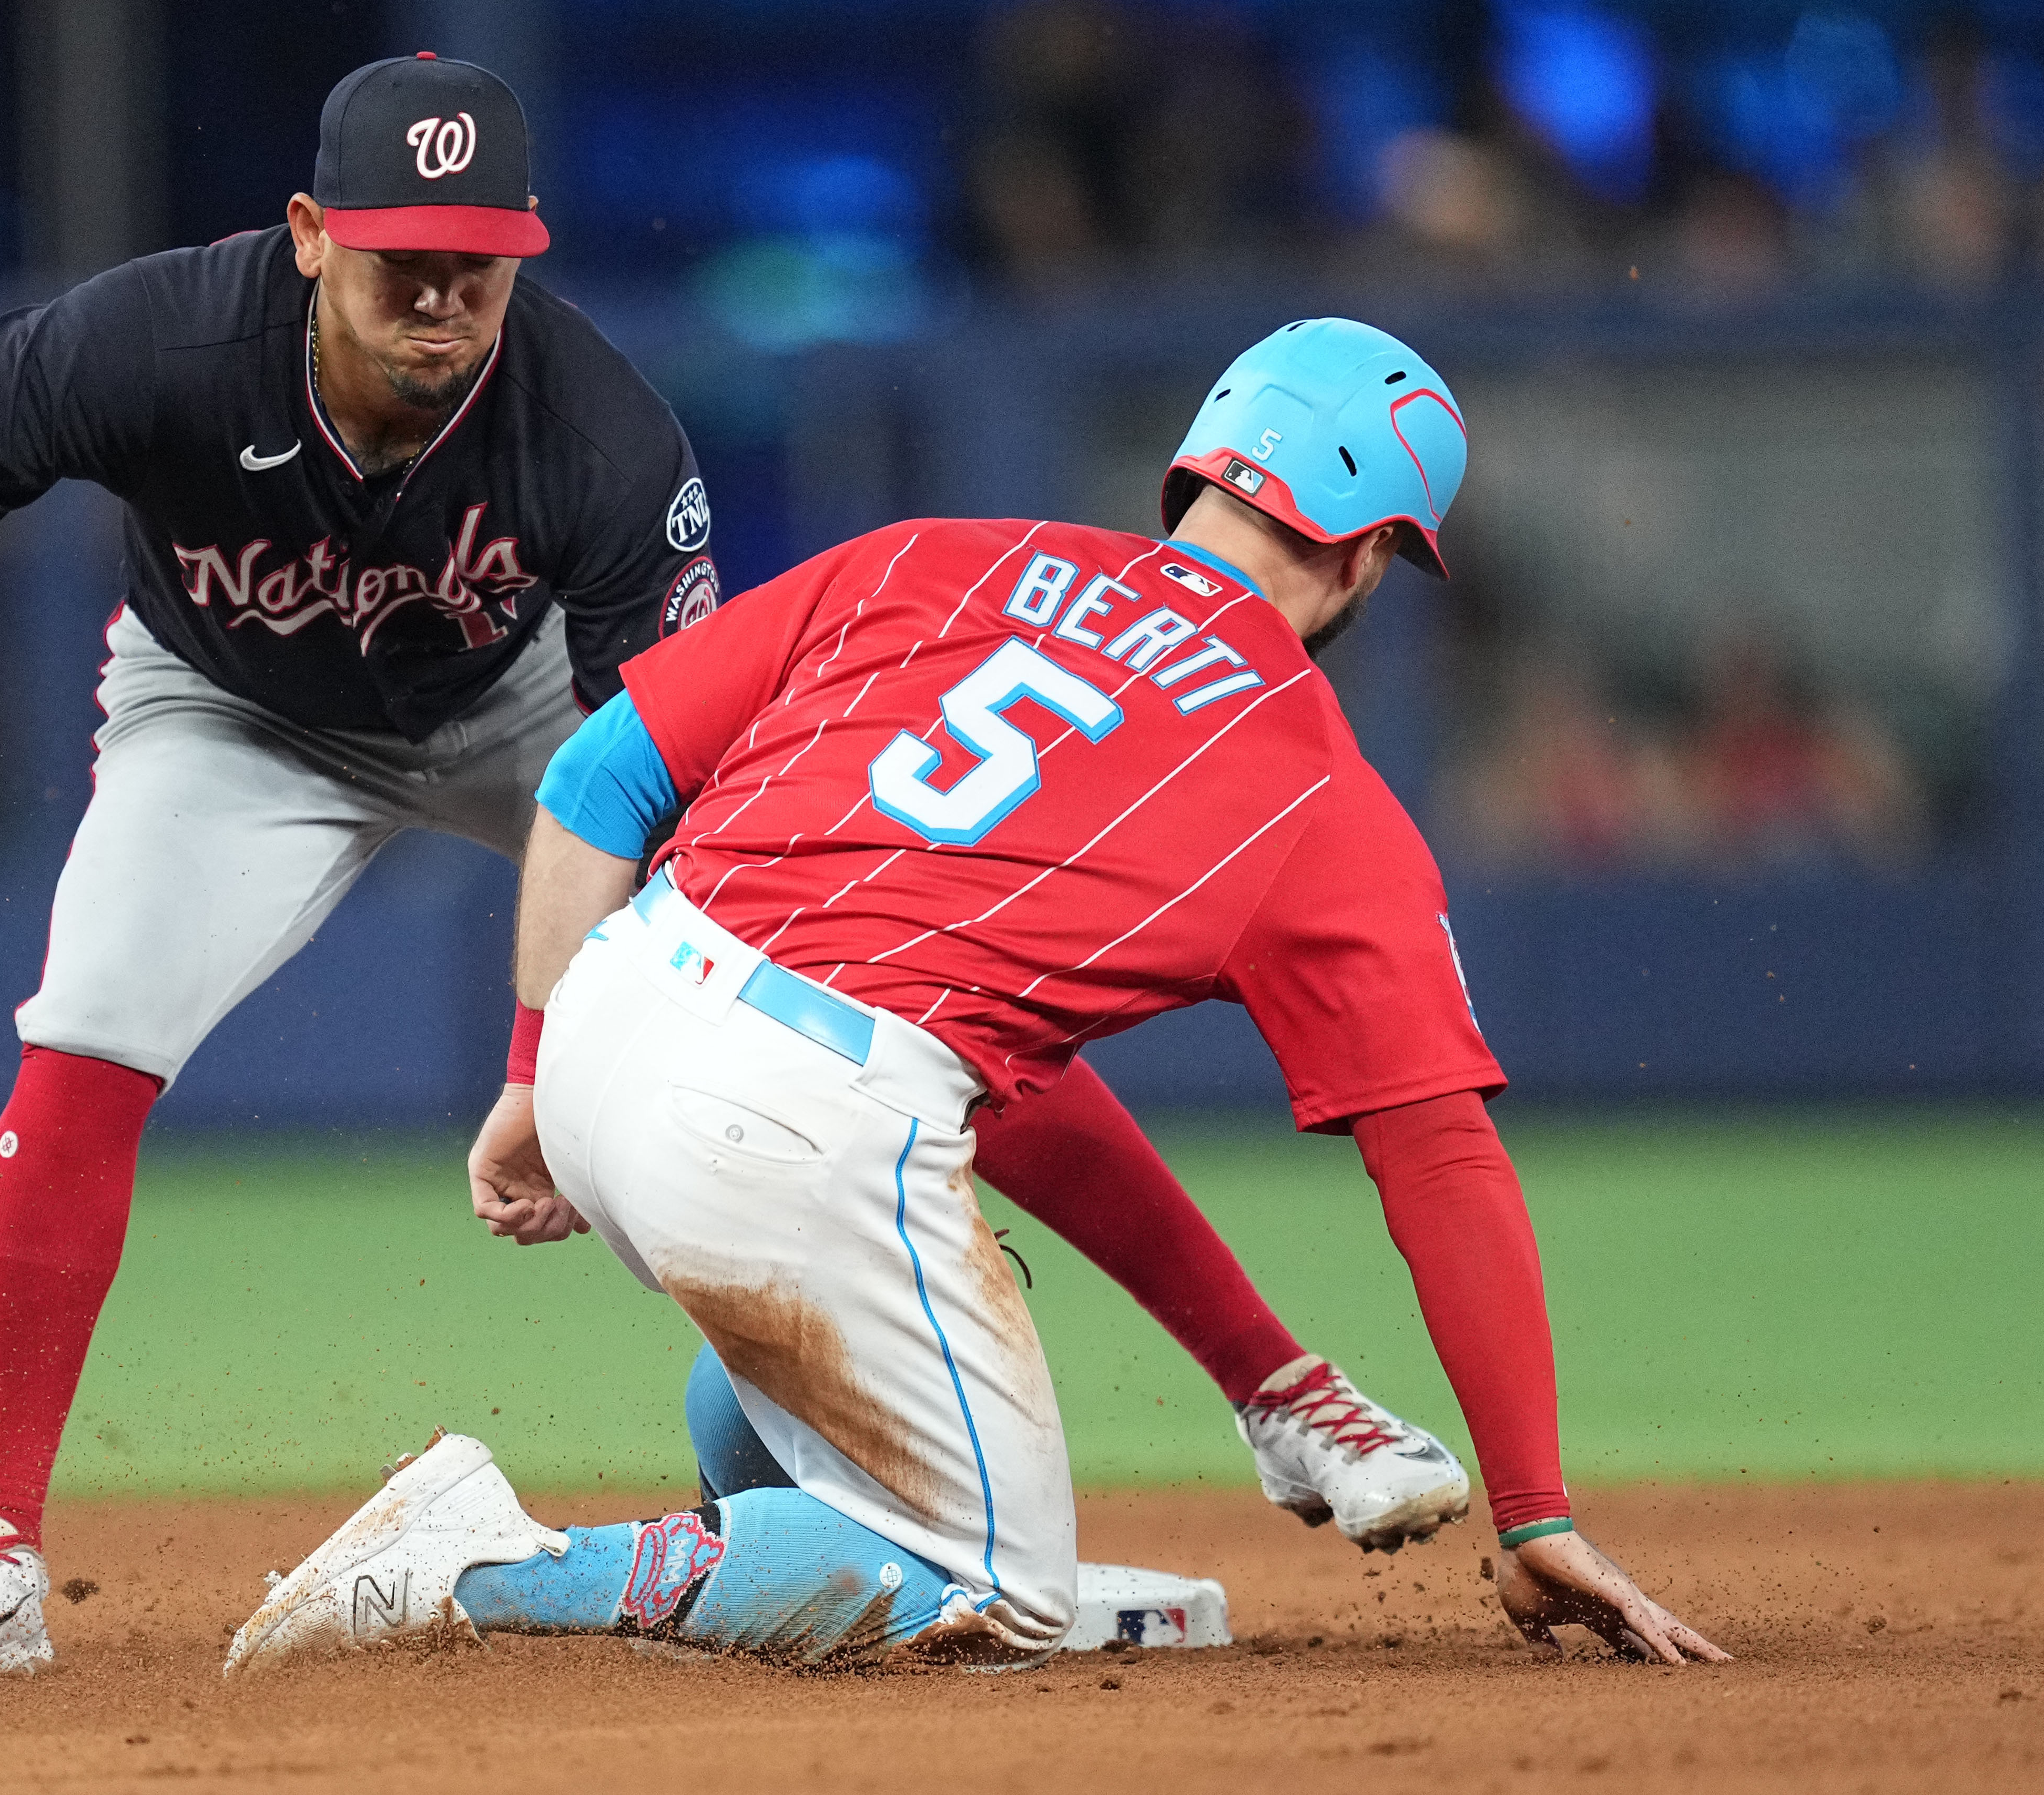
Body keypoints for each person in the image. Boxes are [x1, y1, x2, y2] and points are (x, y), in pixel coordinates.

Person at [0, 54, 1456, 1684]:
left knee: (875, 963)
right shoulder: (155, 341)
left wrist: (539, 1065)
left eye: (476, 261)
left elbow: (635, 770)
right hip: (228, 713)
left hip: (534, 721)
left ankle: (1278, 1389)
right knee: (90, 1024)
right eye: (397, 258)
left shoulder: (594, 432)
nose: (440, 295)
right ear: (304, 236)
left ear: (524, 254)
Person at [231, 318, 1727, 1673]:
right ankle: (484, 1570)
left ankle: (766, 1531)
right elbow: (1441, 1157)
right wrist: (1530, 1510)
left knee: (913, 1128)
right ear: (1367, 552)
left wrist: (527, 1072)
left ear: (1197, 474)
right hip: (791, 1121)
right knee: (998, 1588)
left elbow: (593, 781)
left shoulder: (934, 555)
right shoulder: (1309, 784)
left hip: (618, 997)